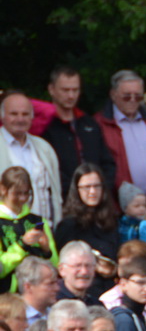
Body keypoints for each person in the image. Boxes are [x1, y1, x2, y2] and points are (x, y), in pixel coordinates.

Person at [37, 67, 114, 197]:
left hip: (96, 197)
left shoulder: (89, 123)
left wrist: (101, 188)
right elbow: (45, 168)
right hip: (62, 198)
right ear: (51, 90)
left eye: (75, 90)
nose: (71, 95)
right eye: (65, 90)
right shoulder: (44, 126)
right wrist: (77, 190)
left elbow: (107, 162)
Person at [0, 90, 63, 224]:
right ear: (2, 116)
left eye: (25, 114)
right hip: (8, 234)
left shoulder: (44, 147)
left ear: (32, 117)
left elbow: (56, 195)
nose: (20, 119)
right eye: (14, 114)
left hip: (45, 231)